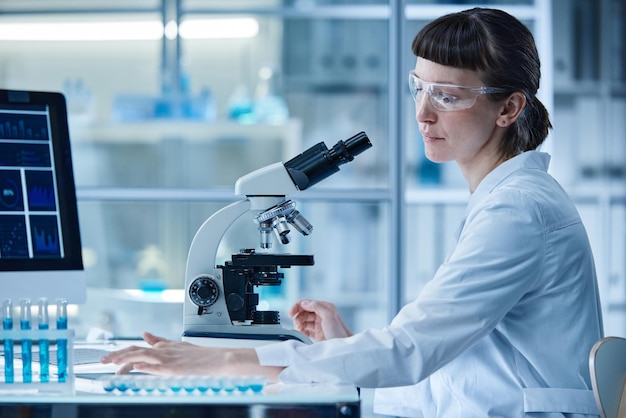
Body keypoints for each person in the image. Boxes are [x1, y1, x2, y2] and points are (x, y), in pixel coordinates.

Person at [101, 8, 604, 417]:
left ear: (509, 108)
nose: (423, 113)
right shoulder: (506, 200)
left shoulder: (517, 211)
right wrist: (339, 355)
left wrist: (224, 362)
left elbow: (410, 351)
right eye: (419, 87)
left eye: (447, 95)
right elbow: (449, 379)